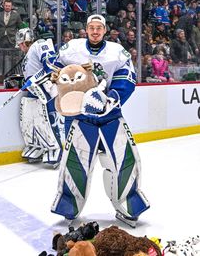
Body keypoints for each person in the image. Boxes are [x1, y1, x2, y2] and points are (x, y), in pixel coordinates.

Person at [48, 14, 150, 227]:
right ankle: (70, 204)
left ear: (105, 30)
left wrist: (110, 98)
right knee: (75, 162)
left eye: (99, 28)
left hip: (110, 115)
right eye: (91, 28)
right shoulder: (71, 48)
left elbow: (127, 78)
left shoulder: (117, 52)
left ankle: (128, 203)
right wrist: (55, 84)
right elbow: (55, 71)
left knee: (123, 160)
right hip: (80, 118)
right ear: (86, 29)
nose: (95, 31)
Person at [15, 27, 64, 165]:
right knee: (29, 117)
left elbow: (50, 65)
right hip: (33, 89)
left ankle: (55, 148)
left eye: (20, 44)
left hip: (44, 88)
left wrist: (35, 78)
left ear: (25, 41)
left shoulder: (40, 44)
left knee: (45, 118)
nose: (19, 47)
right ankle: (36, 146)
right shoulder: (28, 54)